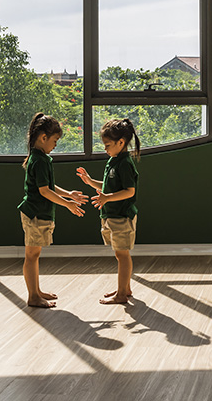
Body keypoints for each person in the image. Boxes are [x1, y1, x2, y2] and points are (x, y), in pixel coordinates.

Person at [19, 112, 88, 308]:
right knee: (31, 255)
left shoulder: (42, 159)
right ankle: (33, 296)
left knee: (34, 255)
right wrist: (67, 204)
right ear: (43, 137)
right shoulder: (39, 160)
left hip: (39, 214)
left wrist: (69, 195)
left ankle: (37, 291)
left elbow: (49, 186)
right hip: (34, 214)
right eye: (55, 140)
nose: (56, 144)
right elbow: (44, 191)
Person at [76, 118, 140, 305]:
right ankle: (125, 288)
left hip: (122, 216)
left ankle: (121, 294)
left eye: (108, 145)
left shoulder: (125, 163)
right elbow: (108, 185)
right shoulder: (113, 161)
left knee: (122, 255)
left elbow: (130, 191)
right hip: (111, 215)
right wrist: (90, 182)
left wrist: (107, 198)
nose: (105, 149)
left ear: (121, 142)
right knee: (119, 254)